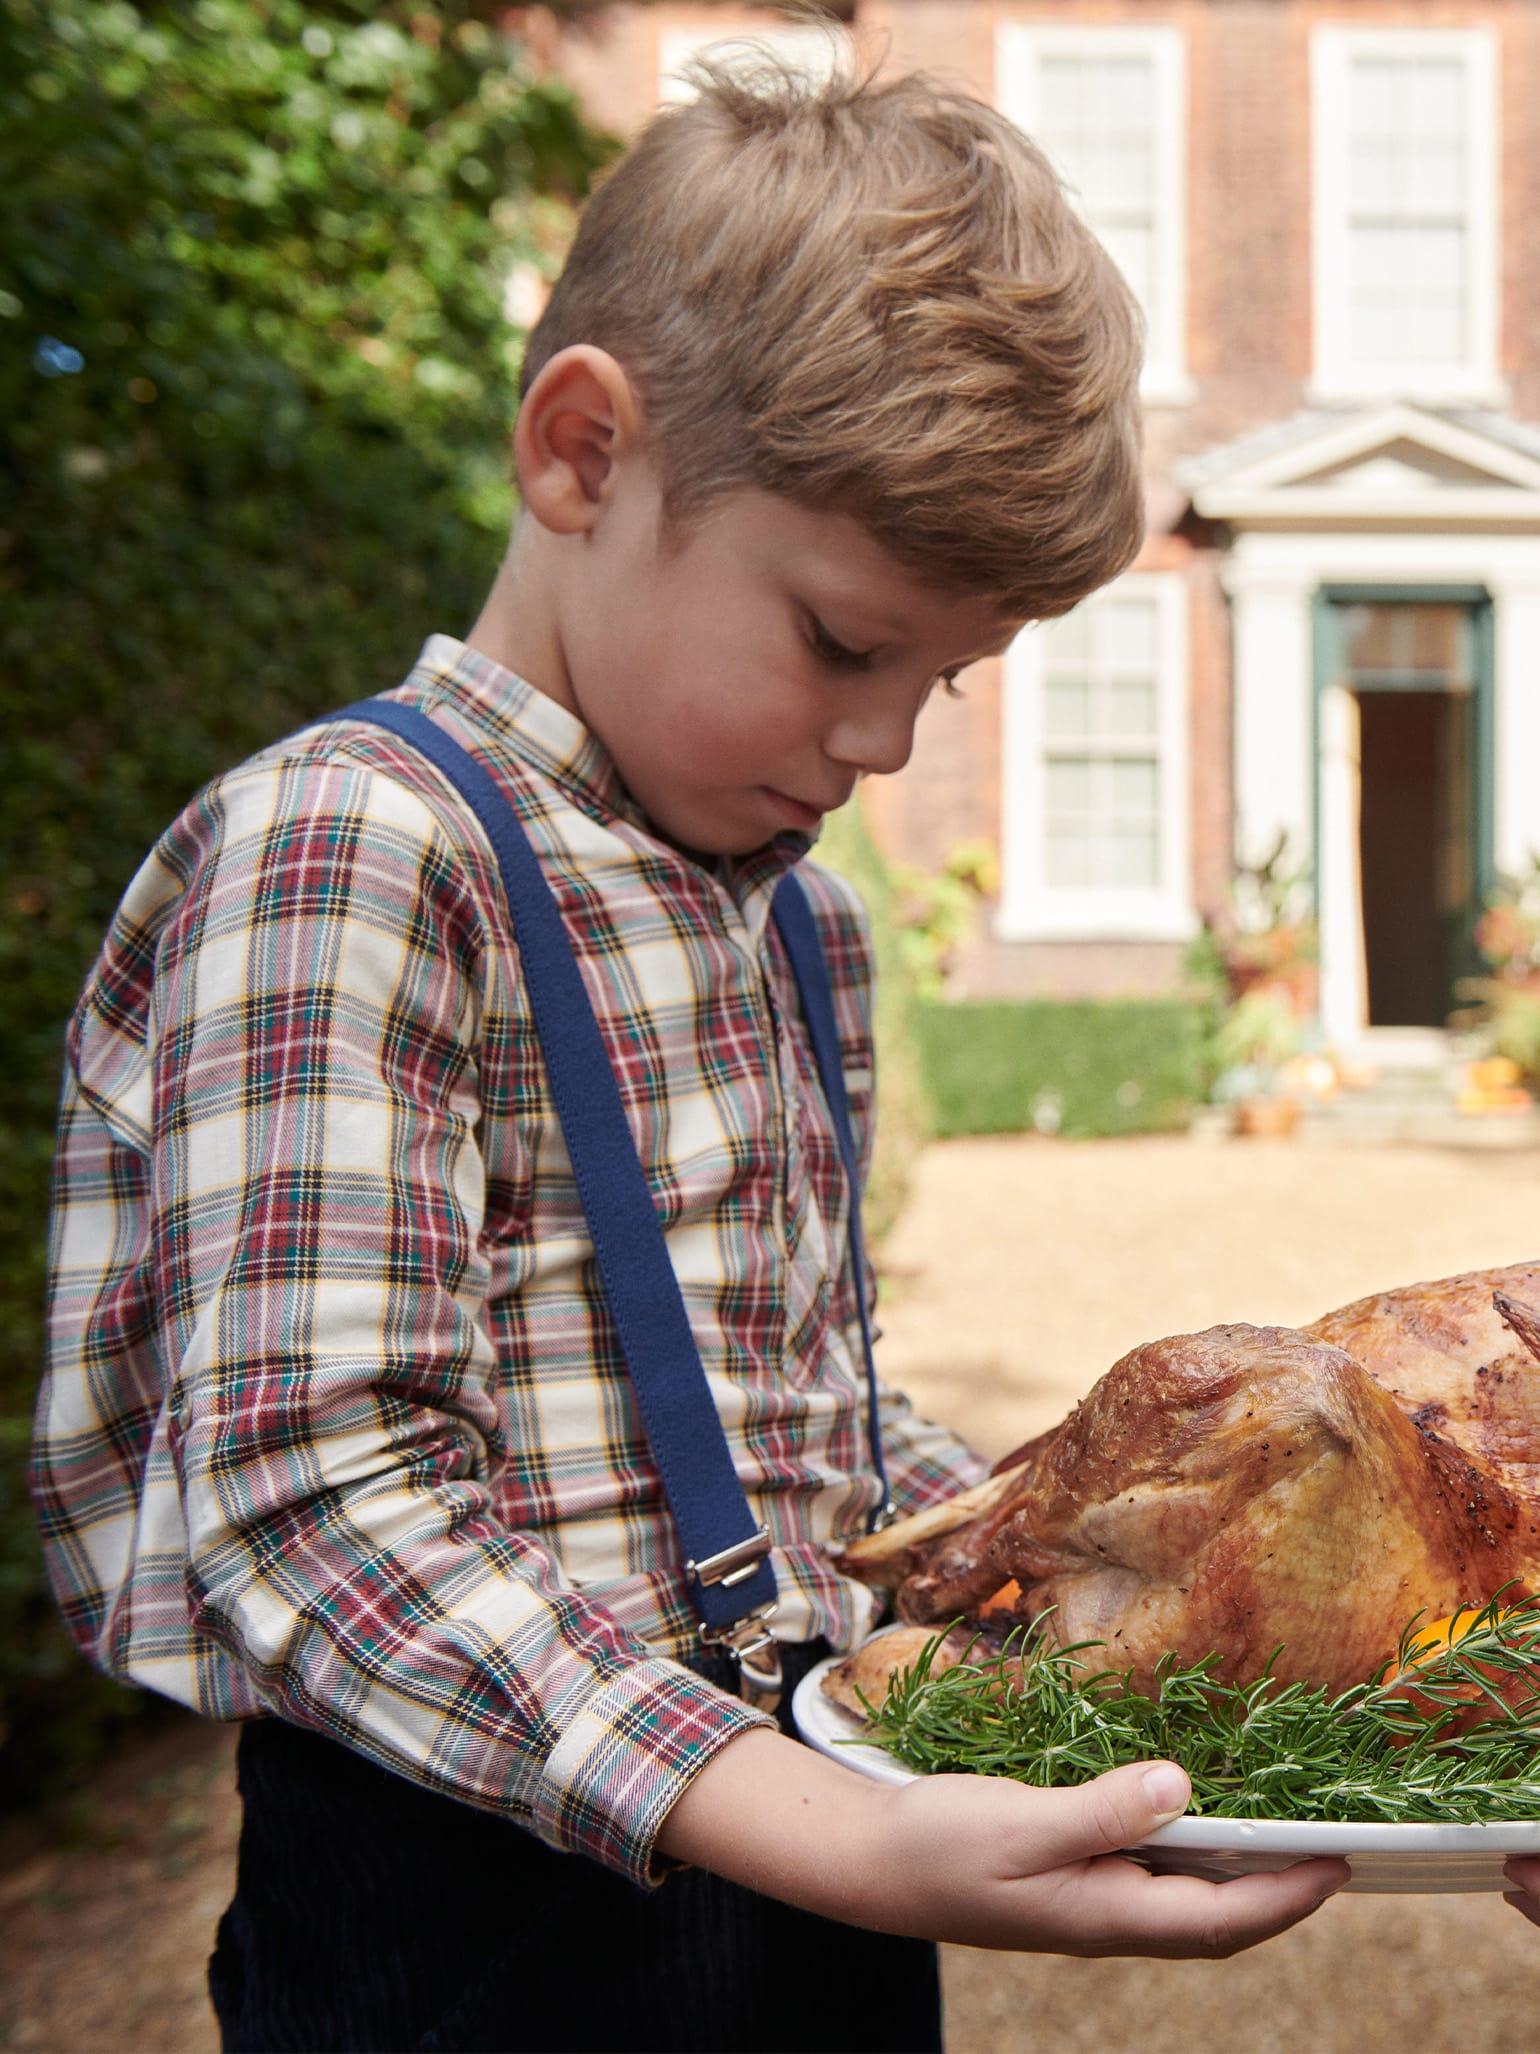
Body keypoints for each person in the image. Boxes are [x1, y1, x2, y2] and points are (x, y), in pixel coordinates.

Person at [33, 48, 1368, 2054]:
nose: (882, 744)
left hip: (816, 1885)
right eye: (842, 642)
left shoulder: (797, 919)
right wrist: (821, 1832)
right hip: (457, 1925)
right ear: (581, 456)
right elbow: (311, 1508)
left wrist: (1133, 1560)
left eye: (943, 677)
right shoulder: (356, 853)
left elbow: (792, 1436)